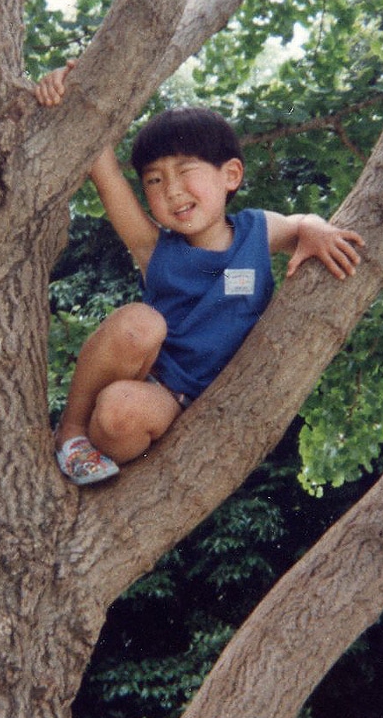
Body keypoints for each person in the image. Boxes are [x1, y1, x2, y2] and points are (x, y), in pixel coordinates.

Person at [35, 64, 365, 483]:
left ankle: (105, 446)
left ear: (231, 175)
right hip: (146, 379)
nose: (171, 190)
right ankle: (72, 433)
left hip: (181, 407)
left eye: (185, 170)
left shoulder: (256, 231)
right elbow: (106, 175)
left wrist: (317, 228)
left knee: (121, 411)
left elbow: (300, 222)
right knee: (138, 326)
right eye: (154, 180)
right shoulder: (154, 248)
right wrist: (75, 92)